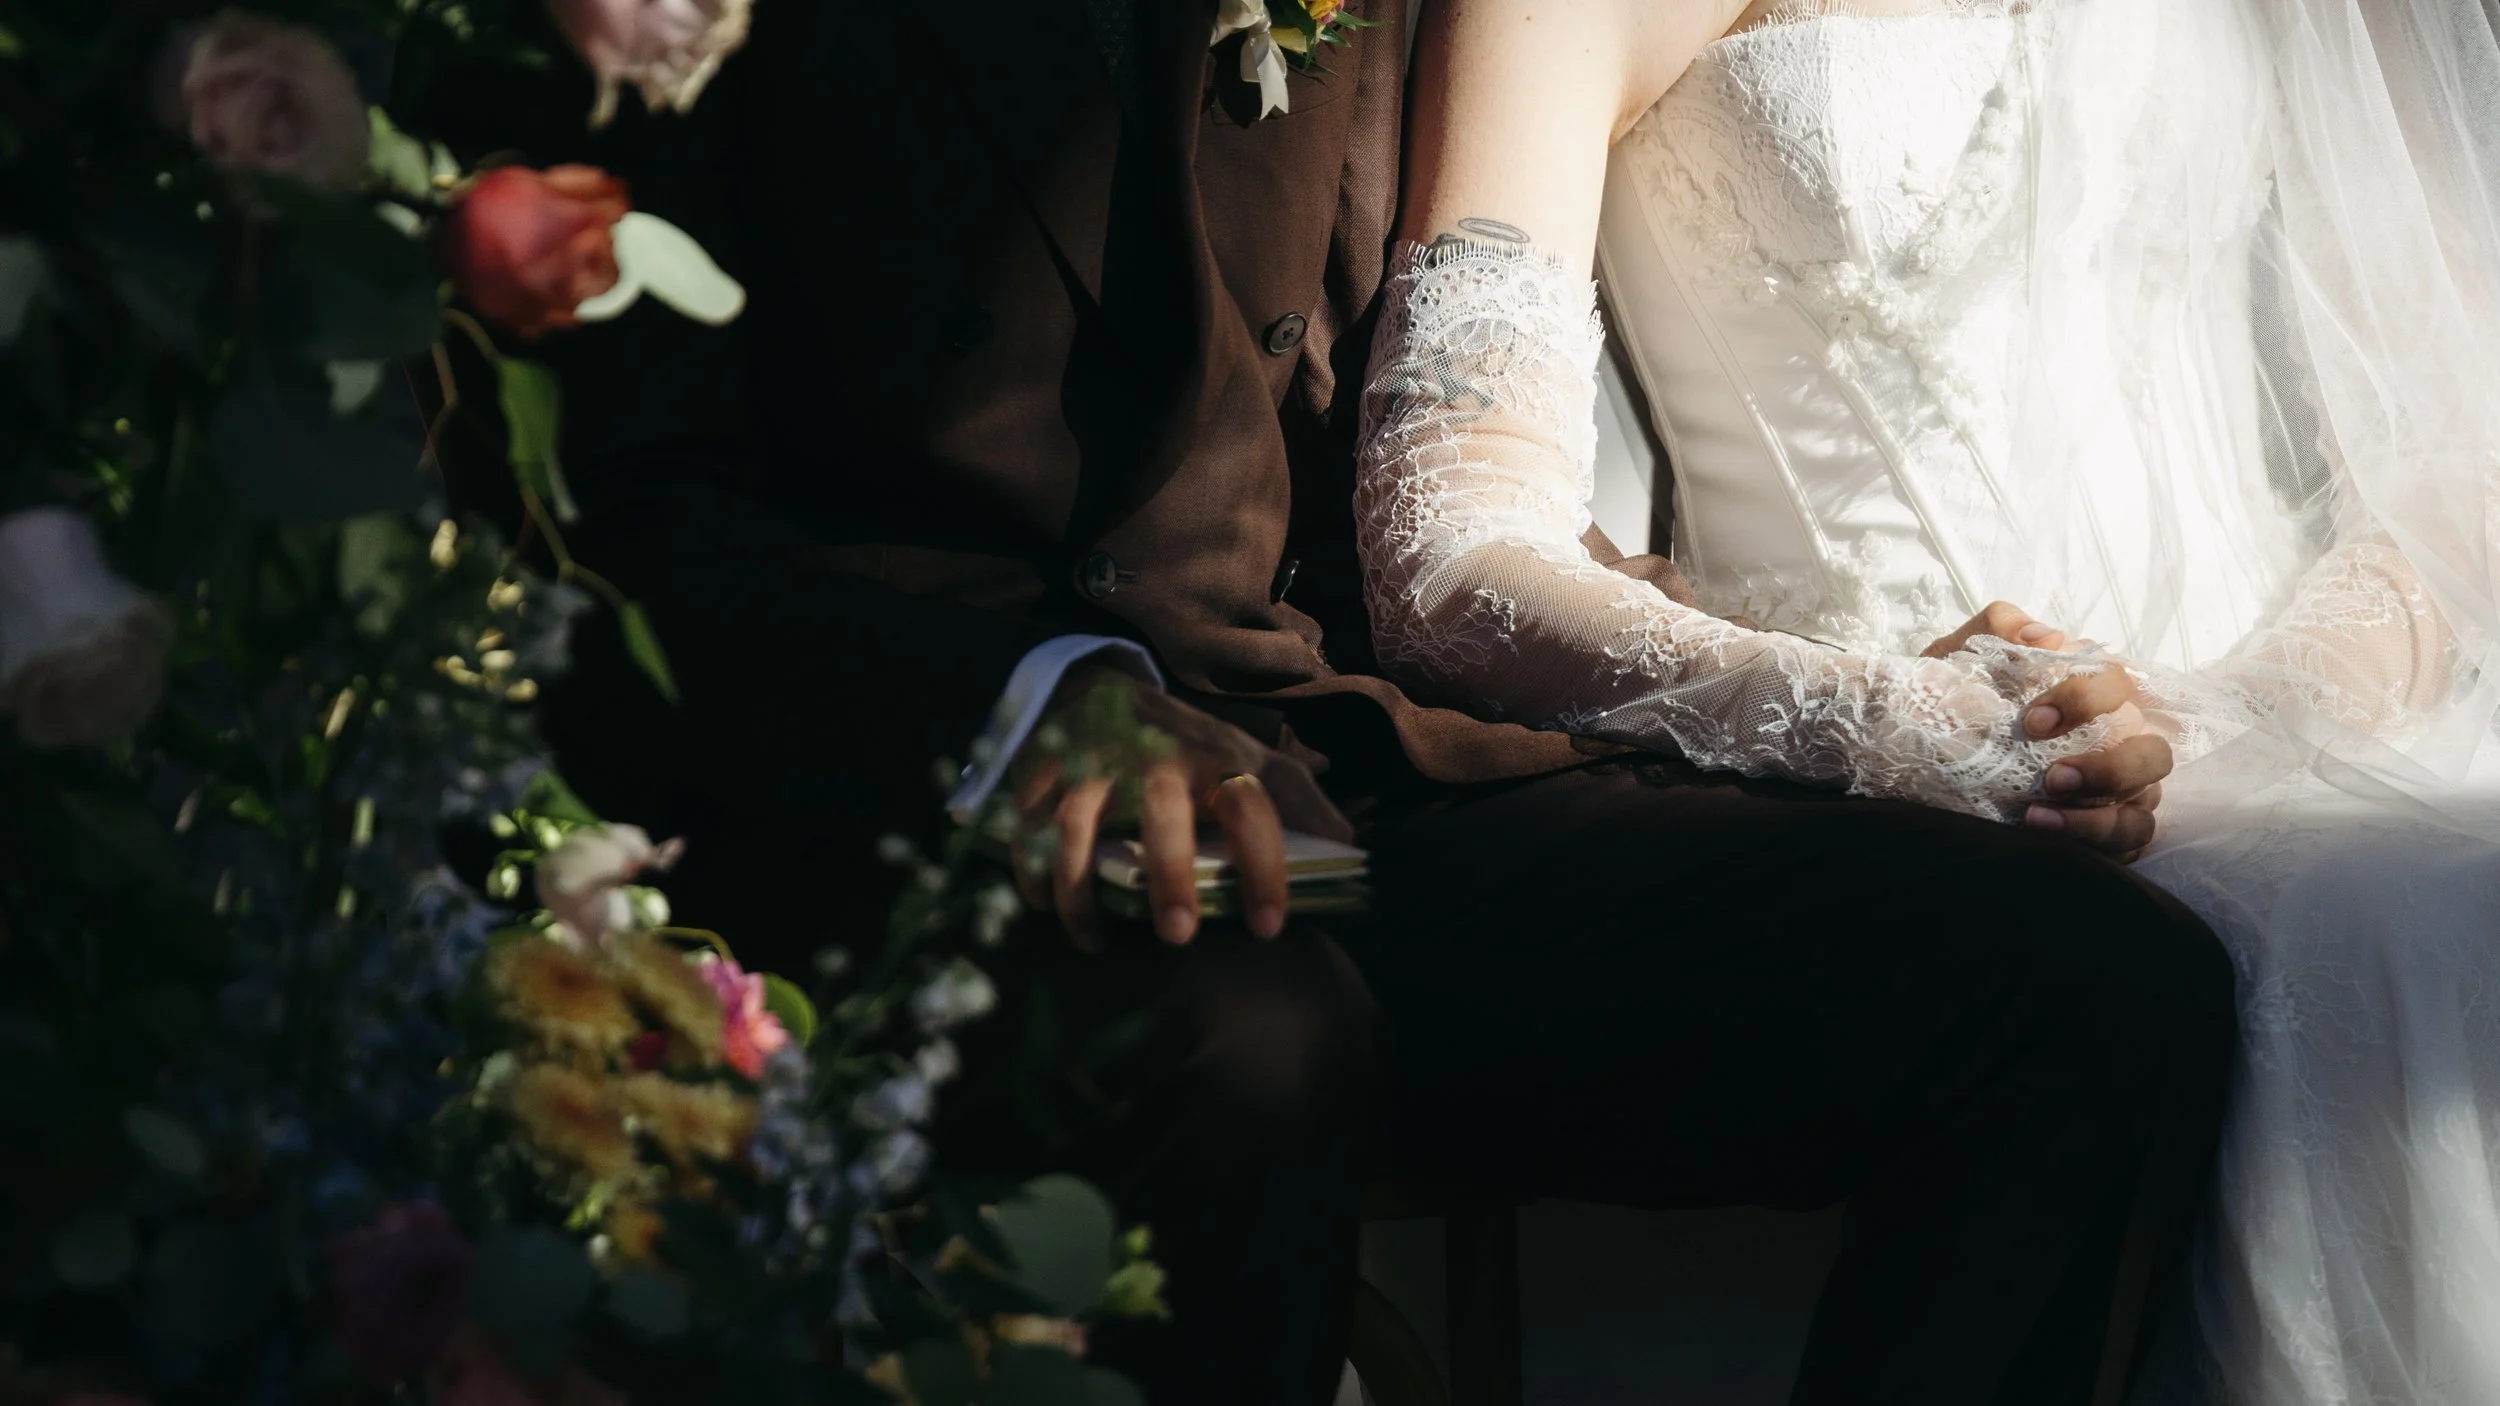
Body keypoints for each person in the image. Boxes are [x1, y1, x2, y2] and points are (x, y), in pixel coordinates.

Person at [536, 1, 2237, 1402]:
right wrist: (1031, 695)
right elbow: (615, 508)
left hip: (1351, 774)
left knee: (2086, 984)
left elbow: (1443, 495)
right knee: (1258, 1046)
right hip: (927, 790)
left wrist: (1857, 699)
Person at [1355, 0, 2500, 1401]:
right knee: (2390, 925)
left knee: (2451, 885)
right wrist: (1906, 721)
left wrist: (2232, 714)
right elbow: (1450, 533)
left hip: (2299, 719)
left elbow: (2457, 462)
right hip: (1893, 784)